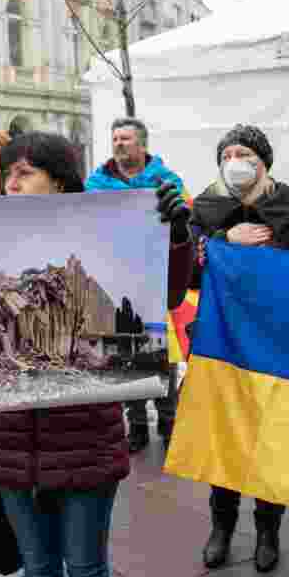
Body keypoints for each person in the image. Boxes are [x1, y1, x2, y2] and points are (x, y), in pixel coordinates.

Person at [0, 131, 185, 577]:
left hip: (83, 432)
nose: (11, 184)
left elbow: (161, 293)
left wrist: (175, 234)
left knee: (85, 569)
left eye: (24, 172)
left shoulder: (105, 232)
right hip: (12, 436)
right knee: (39, 570)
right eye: (6, 174)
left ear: (60, 182)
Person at [157, 123, 289, 574]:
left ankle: (268, 531)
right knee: (223, 437)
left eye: (243, 153)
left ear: (263, 161)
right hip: (220, 341)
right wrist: (224, 242)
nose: (234, 162)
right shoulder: (204, 209)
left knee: (270, 441)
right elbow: (187, 277)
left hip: (274, 341)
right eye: (226, 155)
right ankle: (221, 528)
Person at [85, 117, 186, 453]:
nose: (118, 143)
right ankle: (138, 425)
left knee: (161, 357)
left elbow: (186, 225)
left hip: (154, 282)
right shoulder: (96, 185)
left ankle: (169, 422)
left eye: (125, 138)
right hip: (115, 282)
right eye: (114, 138)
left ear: (142, 144)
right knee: (126, 355)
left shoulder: (167, 182)